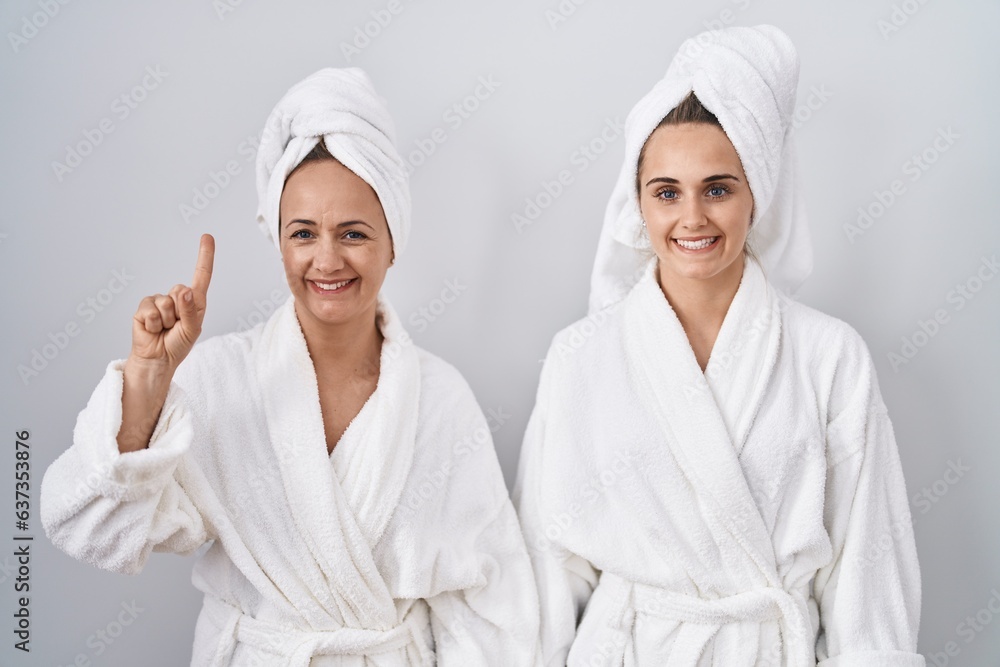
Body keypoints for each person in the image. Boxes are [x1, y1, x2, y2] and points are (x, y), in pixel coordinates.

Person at [41, 67, 538, 666]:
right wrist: (147, 380)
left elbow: (488, 603)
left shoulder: (438, 398)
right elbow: (87, 530)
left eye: (353, 233)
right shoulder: (219, 378)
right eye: (304, 233)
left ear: (392, 242)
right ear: (279, 241)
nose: (326, 260)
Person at [514, 26, 924, 666]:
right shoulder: (580, 357)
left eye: (718, 188)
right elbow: (546, 569)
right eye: (668, 192)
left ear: (757, 193)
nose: (693, 218)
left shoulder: (830, 357)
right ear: (638, 205)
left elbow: (866, 568)